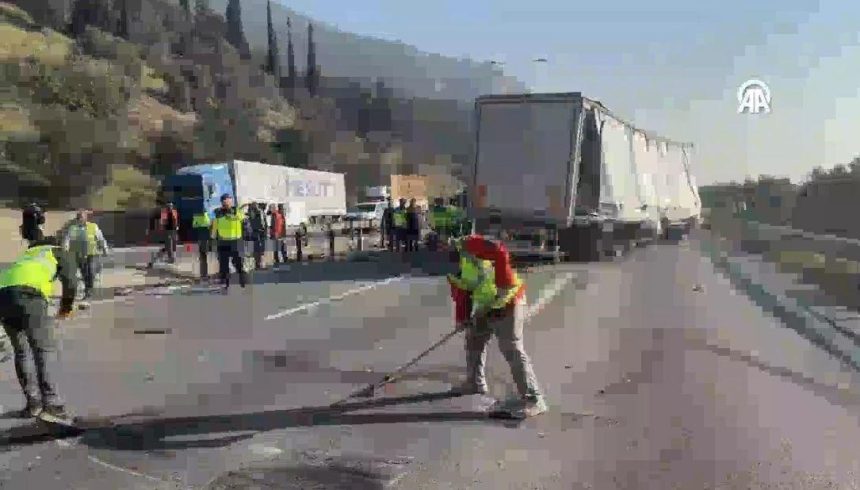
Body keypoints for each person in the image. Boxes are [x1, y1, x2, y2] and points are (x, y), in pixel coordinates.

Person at [446, 234, 547, 419]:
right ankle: (474, 383)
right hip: (487, 305)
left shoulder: (469, 244)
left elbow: (499, 251)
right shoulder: (450, 270)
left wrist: (503, 283)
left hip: (509, 300)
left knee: (511, 348)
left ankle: (534, 399)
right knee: (473, 339)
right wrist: (462, 320)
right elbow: (462, 293)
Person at [0, 236, 77, 422]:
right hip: (29, 295)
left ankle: (33, 404)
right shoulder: (58, 251)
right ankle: (51, 405)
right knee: (42, 350)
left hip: (2, 296)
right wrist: (65, 309)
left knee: (22, 352)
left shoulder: (27, 255)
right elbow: (71, 282)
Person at [61, 210, 109, 301]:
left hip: (92, 254)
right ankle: (87, 289)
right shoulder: (73, 228)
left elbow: (101, 239)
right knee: (83, 273)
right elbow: (67, 239)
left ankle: (88, 292)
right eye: (78, 217)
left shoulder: (93, 227)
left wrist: (105, 249)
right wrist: (65, 249)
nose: (80, 219)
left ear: (85, 218)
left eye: (81, 217)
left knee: (90, 272)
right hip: (78, 255)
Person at [212, 194, 250, 290]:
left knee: (239, 263)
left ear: (231, 201)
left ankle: (243, 281)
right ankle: (225, 283)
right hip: (223, 241)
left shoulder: (237, 211)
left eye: (228, 201)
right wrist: (213, 238)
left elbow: (245, 222)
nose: (226, 203)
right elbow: (214, 227)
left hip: (236, 241)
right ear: (221, 202)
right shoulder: (218, 213)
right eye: (224, 201)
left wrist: (247, 233)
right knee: (223, 264)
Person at [146, 202, 179, 268]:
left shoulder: (174, 212)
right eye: (169, 206)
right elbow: (162, 223)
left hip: (173, 231)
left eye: (171, 206)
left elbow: (176, 221)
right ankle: (153, 261)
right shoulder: (165, 213)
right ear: (167, 207)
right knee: (168, 247)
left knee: (170, 247)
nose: (170, 207)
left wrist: (177, 227)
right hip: (168, 231)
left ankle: (169, 258)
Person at [191, 208, 212, 280]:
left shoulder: (196, 217)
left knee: (203, 256)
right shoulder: (206, 216)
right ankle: (204, 274)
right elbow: (208, 224)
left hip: (201, 239)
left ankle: (203, 274)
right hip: (203, 239)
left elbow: (194, 225)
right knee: (204, 256)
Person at [247, 203, 268, 270]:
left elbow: (264, 224)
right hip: (257, 233)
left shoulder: (259, 213)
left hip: (258, 233)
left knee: (259, 250)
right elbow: (261, 224)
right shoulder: (256, 213)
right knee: (259, 250)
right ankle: (259, 265)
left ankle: (258, 264)